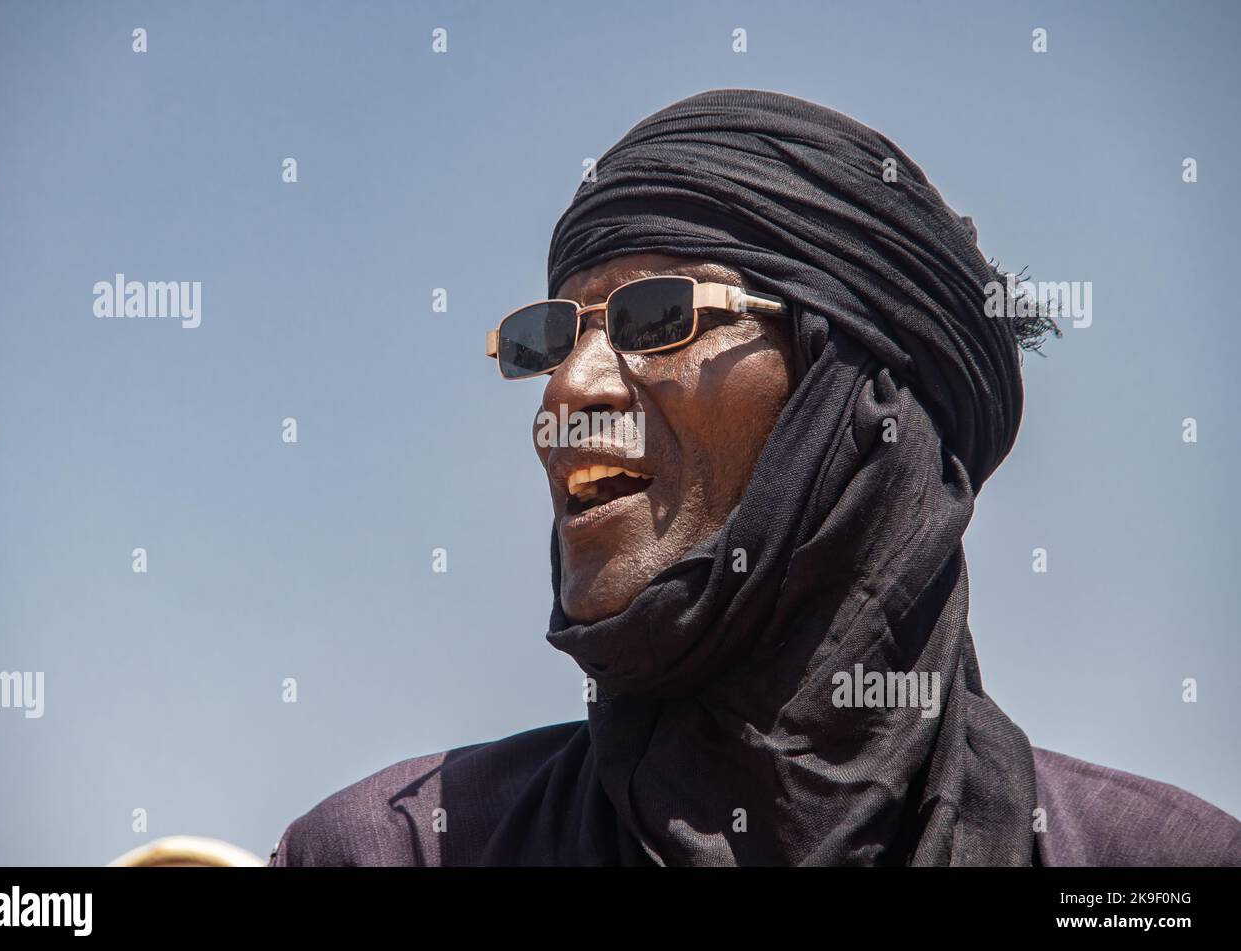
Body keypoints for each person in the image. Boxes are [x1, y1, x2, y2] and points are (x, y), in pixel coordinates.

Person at [270, 89, 1241, 866]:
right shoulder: (398, 845)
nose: (566, 389)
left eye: (658, 318)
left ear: (859, 398)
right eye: (549, 339)